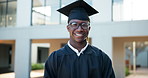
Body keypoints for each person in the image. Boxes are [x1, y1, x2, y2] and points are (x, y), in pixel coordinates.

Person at [44, 0, 115, 78]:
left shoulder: (101, 58)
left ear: (89, 28)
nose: (79, 29)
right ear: (68, 28)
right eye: (74, 24)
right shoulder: (55, 58)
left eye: (84, 24)